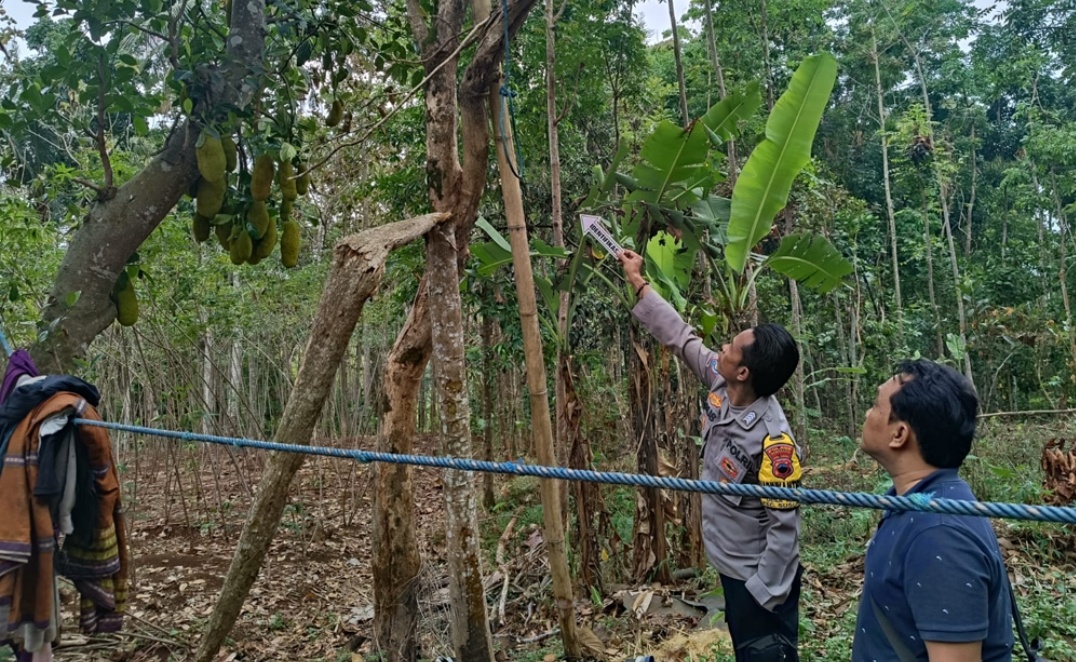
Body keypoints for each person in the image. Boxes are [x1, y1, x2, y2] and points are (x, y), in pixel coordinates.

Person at [619, 249, 804, 662]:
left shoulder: (774, 442)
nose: (720, 346)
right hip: (727, 559)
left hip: (756, 577)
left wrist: (764, 591)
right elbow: (680, 337)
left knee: (764, 654)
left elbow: (785, 526)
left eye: (731, 347)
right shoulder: (721, 382)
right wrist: (637, 280)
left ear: (744, 372)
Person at [853, 360, 1014, 661]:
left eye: (875, 406)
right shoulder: (917, 503)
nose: (867, 414)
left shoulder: (940, 535)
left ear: (899, 434)